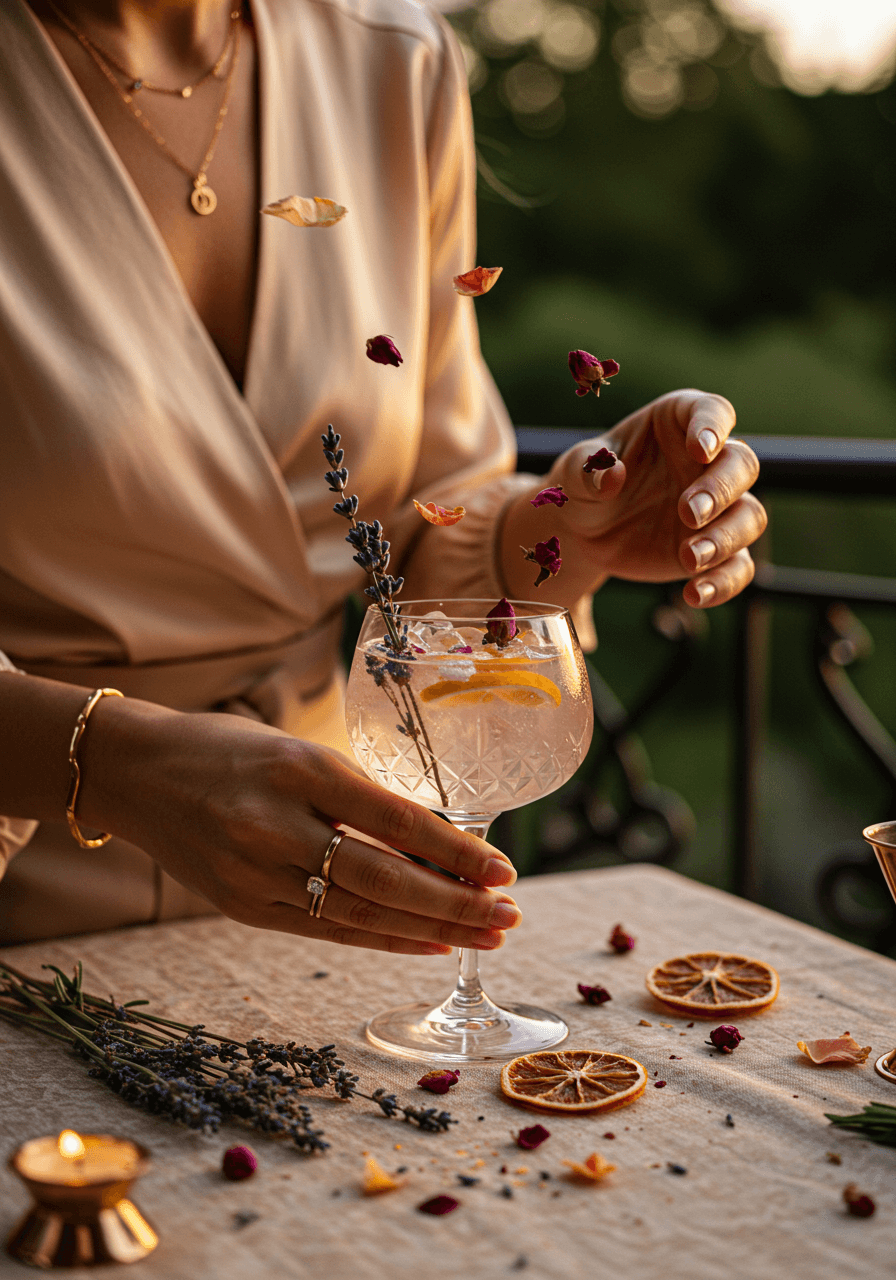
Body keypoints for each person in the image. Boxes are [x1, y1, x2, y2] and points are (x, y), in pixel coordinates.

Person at [0, 0, 766, 948]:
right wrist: (109, 765)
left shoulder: (396, 60)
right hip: (27, 894)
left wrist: (558, 532)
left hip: (332, 875)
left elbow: (410, 536)